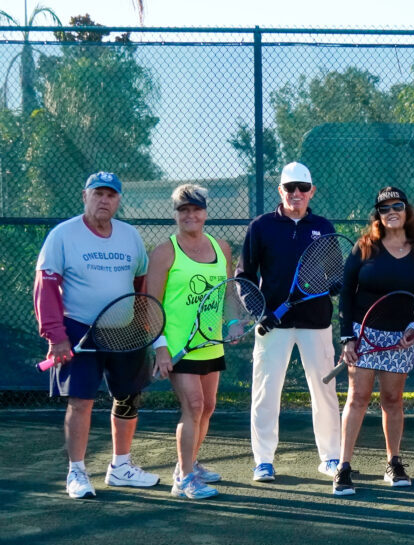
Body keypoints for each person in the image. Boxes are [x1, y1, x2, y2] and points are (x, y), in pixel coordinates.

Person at [33, 171, 160, 499]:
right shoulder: (63, 235)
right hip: (78, 331)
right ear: (84, 196)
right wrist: (55, 336)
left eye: (111, 195)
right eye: (98, 193)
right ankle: (76, 472)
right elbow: (46, 287)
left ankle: (121, 467)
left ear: (118, 200)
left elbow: (141, 283)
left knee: (128, 397)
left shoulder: (130, 236)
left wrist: (143, 326)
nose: (104, 200)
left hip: (125, 332)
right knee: (81, 401)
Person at [236, 162, 342, 483]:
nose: (296, 193)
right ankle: (263, 461)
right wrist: (259, 312)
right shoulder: (261, 226)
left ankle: (331, 457)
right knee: (266, 393)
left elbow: (336, 272)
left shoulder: (323, 227)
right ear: (280, 190)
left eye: (302, 188)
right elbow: (245, 276)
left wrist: (335, 284)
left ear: (311, 192)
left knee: (324, 392)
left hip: (316, 323)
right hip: (273, 325)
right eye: (290, 188)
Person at [332, 187, 414, 496]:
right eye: (384, 208)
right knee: (358, 398)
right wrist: (348, 338)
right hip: (363, 336)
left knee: (392, 400)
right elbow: (346, 293)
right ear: (377, 215)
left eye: (397, 206)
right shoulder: (364, 247)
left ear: (407, 210)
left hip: (399, 340)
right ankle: (343, 466)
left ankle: (394, 463)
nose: (391, 212)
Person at [149, 185, 234, 499]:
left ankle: (190, 462)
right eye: (183, 210)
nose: (190, 215)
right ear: (175, 214)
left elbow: (229, 292)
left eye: (196, 209)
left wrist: (233, 323)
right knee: (194, 405)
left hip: (210, 342)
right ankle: (183, 479)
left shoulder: (221, 247)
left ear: (205, 212)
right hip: (177, 345)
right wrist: (160, 347)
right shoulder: (164, 252)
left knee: (208, 406)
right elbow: (151, 304)